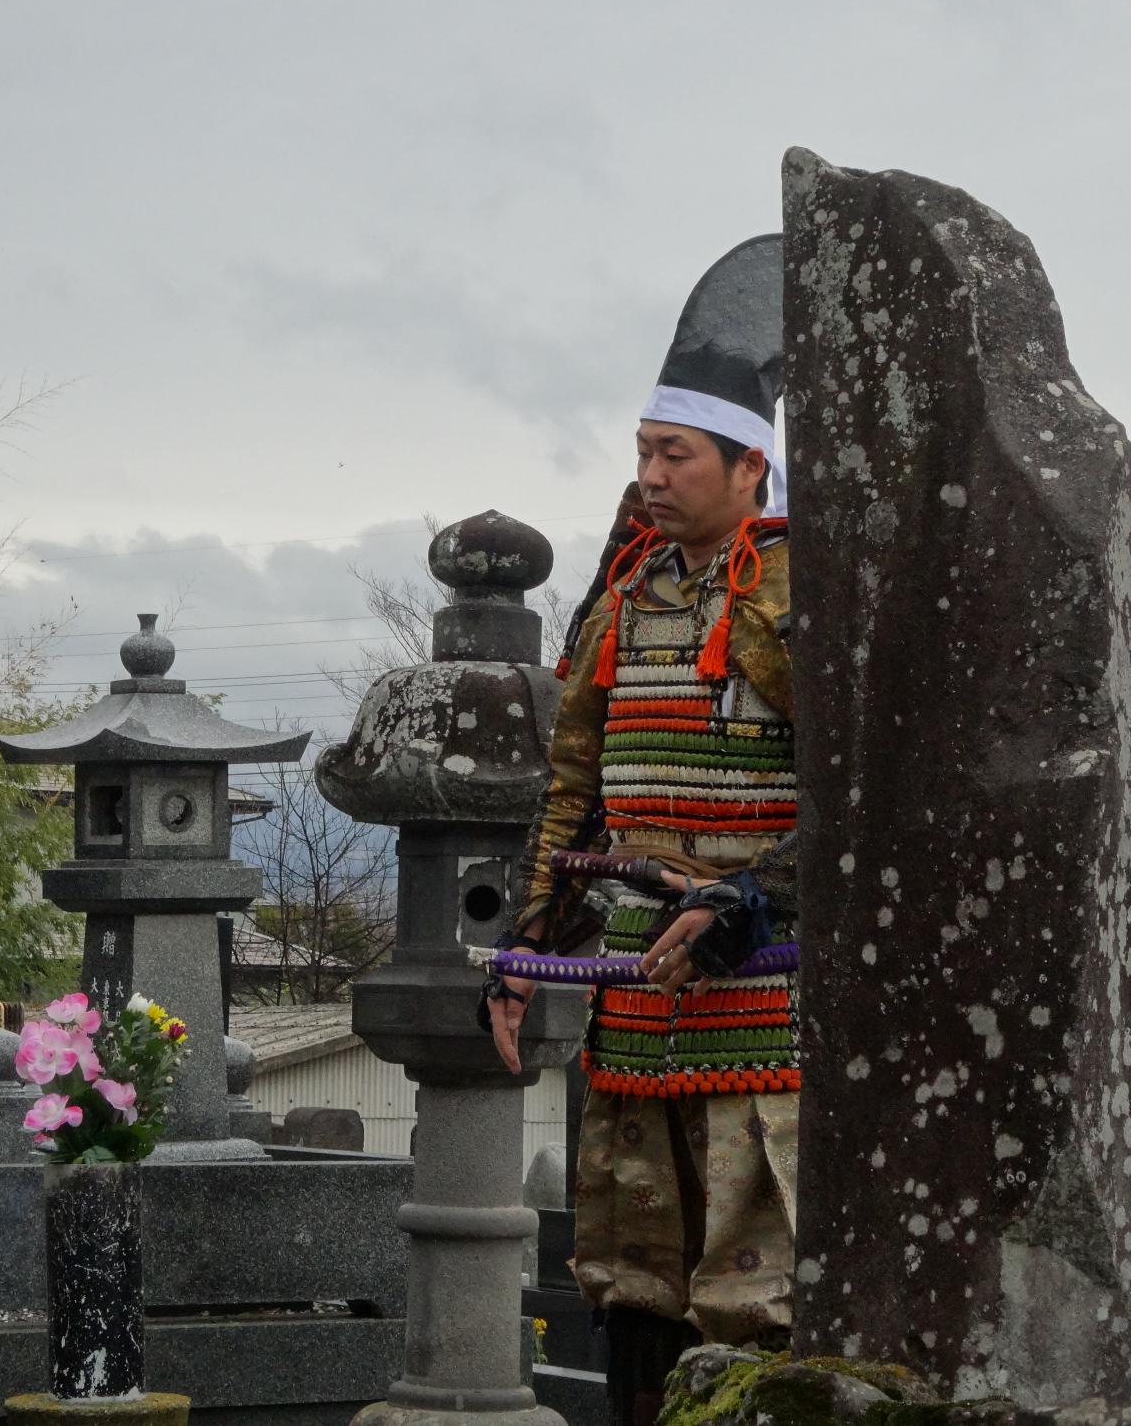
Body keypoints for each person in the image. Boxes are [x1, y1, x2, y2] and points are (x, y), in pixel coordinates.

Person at [488, 235, 798, 1426]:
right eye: (642, 454)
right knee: (629, 1282)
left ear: (745, 466)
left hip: (753, 992)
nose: (650, 477)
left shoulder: (785, 598)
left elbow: (849, 800)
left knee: (752, 1287)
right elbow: (573, 793)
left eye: (673, 455)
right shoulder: (624, 600)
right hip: (628, 988)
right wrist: (525, 952)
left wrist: (751, 896)